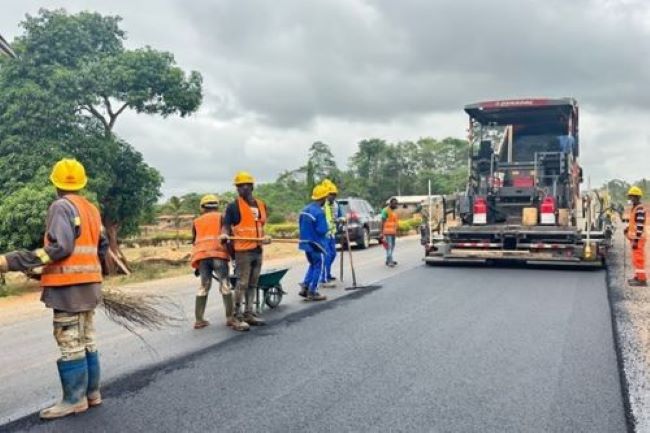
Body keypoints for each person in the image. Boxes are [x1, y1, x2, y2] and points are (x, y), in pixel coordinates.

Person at [0, 159, 107, 419]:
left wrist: (14, 260)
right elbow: (102, 246)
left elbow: (60, 248)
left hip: (67, 290)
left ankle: (74, 399)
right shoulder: (91, 208)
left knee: (70, 342)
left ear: (54, 183)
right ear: (82, 183)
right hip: (90, 287)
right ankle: (92, 394)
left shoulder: (61, 206)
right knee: (87, 339)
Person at [191, 194, 249, 331]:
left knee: (204, 286)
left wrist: (197, 262)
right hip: (218, 255)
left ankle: (199, 320)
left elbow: (195, 241)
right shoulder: (222, 218)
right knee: (224, 285)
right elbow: (228, 238)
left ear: (202, 207)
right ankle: (230, 318)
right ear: (217, 206)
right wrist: (233, 257)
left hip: (202, 257)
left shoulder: (196, 221)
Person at [222, 171, 270, 327]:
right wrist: (224, 235)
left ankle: (249, 313)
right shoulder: (233, 206)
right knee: (242, 283)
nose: (241, 188)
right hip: (243, 251)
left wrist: (266, 237)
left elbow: (260, 226)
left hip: (258, 249)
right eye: (239, 186)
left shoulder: (261, 205)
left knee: (253, 283)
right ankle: (237, 316)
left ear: (251, 186)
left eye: (244, 185)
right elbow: (226, 226)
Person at [298, 184, 330, 301]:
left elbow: (300, 226)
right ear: (322, 199)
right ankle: (313, 291)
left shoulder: (304, 210)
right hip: (315, 244)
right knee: (318, 266)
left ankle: (305, 286)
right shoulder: (319, 213)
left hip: (305, 243)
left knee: (312, 264)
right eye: (325, 198)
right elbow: (322, 230)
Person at [321, 180, 344, 287]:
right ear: (327, 195)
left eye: (334, 195)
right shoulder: (322, 205)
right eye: (331, 195)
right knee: (327, 255)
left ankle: (327, 273)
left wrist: (341, 220)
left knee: (333, 254)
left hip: (332, 233)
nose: (333, 197)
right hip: (324, 234)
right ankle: (324, 276)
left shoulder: (336, 205)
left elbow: (340, 215)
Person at [625, 186, 647, 286]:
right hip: (635, 238)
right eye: (630, 197)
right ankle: (637, 276)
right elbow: (634, 223)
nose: (630, 199)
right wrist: (627, 229)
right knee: (635, 259)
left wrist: (636, 240)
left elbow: (640, 225)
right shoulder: (635, 208)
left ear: (637, 197)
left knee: (638, 259)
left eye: (632, 197)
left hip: (639, 239)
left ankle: (642, 279)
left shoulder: (640, 209)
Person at [381, 198, 399, 267]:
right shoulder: (385, 210)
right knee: (389, 246)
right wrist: (381, 232)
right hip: (387, 231)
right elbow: (382, 222)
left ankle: (388, 259)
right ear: (390, 203)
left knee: (392, 246)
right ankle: (390, 261)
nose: (396, 205)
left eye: (396, 204)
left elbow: (395, 222)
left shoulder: (394, 211)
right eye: (395, 204)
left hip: (393, 232)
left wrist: (396, 230)